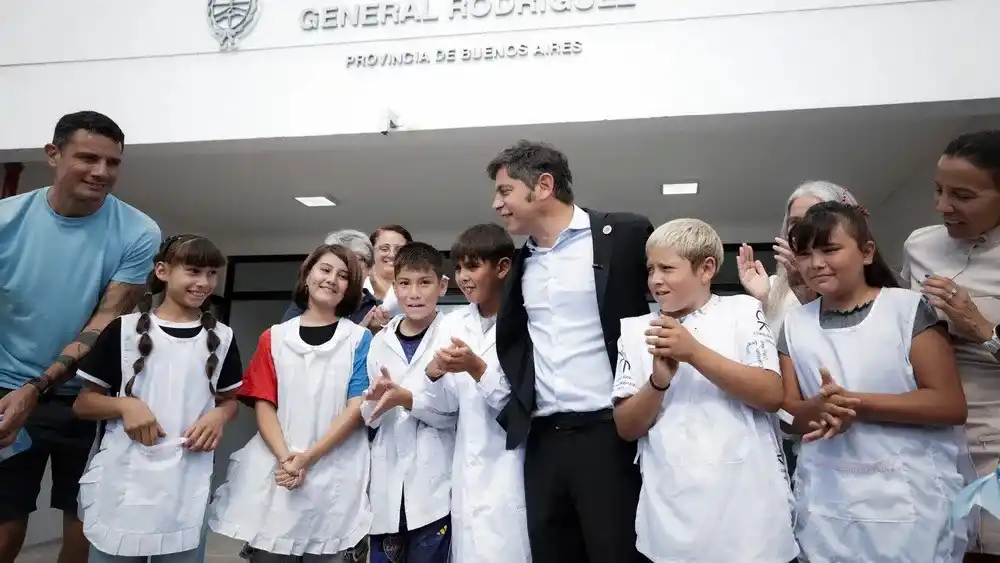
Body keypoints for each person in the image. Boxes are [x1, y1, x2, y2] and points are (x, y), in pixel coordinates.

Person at [0, 111, 161, 563]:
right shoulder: (6, 220)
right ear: (53, 154)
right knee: (5, 525)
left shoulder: (138, 231)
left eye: (113, 162)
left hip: (88, 397)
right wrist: (22, 390)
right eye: (88, 158)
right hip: (7, 388)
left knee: (85, 526)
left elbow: (106, 318)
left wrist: (40, 385)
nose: (101, 172)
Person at [486, 140, 653, 563]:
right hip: (542, 441)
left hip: (609, 435)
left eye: (505, 191)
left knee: (616, 553)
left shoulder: (626, 235)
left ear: (543, 186)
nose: (497, 204)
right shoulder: (520, 264)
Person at [779, 202, 968, 562]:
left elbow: (949, 405)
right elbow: (788, 417)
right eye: (804, 253)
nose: (815, 262)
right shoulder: (794, 325)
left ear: (866, 253)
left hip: (911, 502)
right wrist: (814, 410)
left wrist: (854, 403)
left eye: (829, 249)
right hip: (826, 504)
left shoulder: (909, 309)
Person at [612, 218, 798, 563]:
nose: (655, 280)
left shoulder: (743, 311)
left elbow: (772, 394)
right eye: (650, 269)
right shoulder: (637, 331)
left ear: (706, 268)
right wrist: (658, 383)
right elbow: (626, 427)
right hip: (669, 518)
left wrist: (694, 353)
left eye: (667, 268)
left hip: (748, 519)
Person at [72, 234, 242, 562]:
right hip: (123, 481)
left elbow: (229, 401)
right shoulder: (123, 330)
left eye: (211, 274)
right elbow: (83, 403)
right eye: (193, 271)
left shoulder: (222, 338)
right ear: (163, 271)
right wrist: (125, 404)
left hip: (185, 483)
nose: (203, 282)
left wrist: (219, 416)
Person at [210, 244, 372, 562]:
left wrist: (307, 458)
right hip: (277, 467)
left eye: (343, 276)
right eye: (325, 270)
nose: (332, 280)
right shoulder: (274, 337)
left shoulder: (359, 340)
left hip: (334, 472)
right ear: (307, 275)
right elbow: (264, 404)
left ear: (350, 288)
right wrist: (287, 458)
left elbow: (356, 408)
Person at [900, 130, 1000, 561]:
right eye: (939, 190)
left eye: (962, 195)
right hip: (931, 437)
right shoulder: (920, 245)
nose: (943, 206)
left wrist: (982, 328)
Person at [417, 224, 531, 563]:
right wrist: (433, 374)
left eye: (473, 266)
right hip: (467, 471)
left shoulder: (526, 323)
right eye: (459, 267)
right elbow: (445, 407)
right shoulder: (452, 324)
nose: (463, 277)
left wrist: (476, 367)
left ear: (502, 267)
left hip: (512, 467)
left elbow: (519, 405)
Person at [361, 242, 455, 563]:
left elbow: (455, 413)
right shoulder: (379, 342)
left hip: (435, 488)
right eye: (404, 283)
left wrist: (408, 399)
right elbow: (369, 420)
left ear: (442, 286)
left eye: (424, 282)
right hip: (386, 487)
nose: (414, 293)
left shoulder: (453, 335)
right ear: (394, 287)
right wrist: (374, 401)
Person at [736, 180, 860, 331]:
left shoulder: (861, 288)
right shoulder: (773, 285)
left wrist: (804, 287)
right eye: (794, 222)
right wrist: (761, 301)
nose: (800, 230)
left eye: (812, 219)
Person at [281, 229, 380, 328]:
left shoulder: (379, 311)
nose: (347, 265)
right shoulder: (306, 304)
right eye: (326, 269)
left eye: (355, 259)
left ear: (369, 268)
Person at [367, 224, 413, 320]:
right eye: (384, 249)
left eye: (399, 249)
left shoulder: (420, 286)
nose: (392, 254)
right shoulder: (357, 286)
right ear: (371, 252)